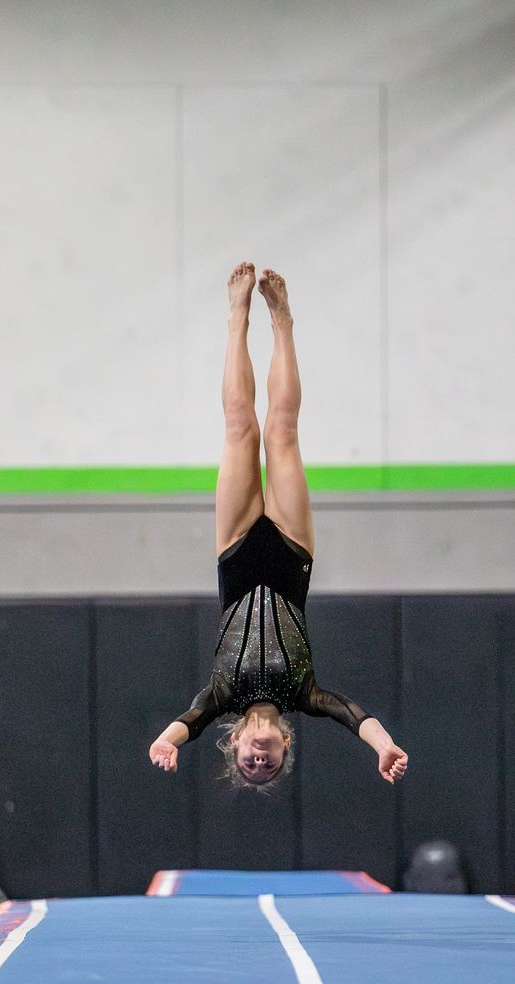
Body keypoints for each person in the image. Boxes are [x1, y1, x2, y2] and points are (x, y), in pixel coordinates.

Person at [147, 265, 408, 790]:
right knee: (283, 432)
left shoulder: (220, 695)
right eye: (269, 765)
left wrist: (164, 742)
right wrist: (385, 747)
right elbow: (353, 714)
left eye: (249, 763)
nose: (259, 760)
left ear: (236, 741)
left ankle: (237, 317)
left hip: (237, 552)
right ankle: (283, 322)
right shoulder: (303, 694)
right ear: (286, 742)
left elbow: (184, 725)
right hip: (291, 554)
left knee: (241, 425)